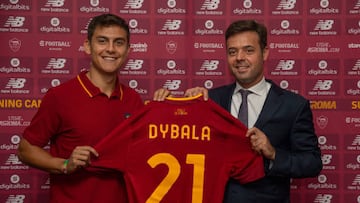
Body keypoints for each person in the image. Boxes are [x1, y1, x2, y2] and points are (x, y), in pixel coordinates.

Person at [155, 19, 323, 203]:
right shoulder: (210, 100)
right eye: (232, 51)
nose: (239, 57)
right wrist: (166, 109)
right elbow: (180, 147)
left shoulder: (293, 105)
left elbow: (312, 163)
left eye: (248, 50)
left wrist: (273, 153)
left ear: (265, 53)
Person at [17, 13, 148, 202]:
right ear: (88, 46)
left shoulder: (133, 99)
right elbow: (25, 150)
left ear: (128, 50)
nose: (110, 49)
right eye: (102, 41)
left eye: (119, 43)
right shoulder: (60, 96)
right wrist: (64, 164)